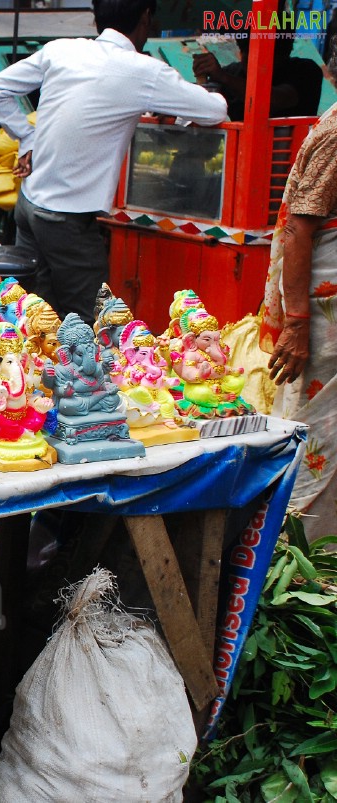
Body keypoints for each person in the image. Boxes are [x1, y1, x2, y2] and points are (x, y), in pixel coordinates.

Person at [0, 0, 228, 324]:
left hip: (28, 205)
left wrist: (28, 138)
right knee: (84, 324)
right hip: (64, 219)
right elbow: (214, 110)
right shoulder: (144, 71)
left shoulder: (61, 50)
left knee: (34, 316)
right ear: (146, 17)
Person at [261, 33, 337, 539]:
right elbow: (299, 229)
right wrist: (297, 325)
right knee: (320, 432)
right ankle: (306, 557)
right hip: (323, 310)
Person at [192, 32, 323, 121]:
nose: (250, 58)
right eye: (246, 49)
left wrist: (224, 77)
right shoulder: (233, 72)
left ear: (285, 51)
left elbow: (273, 100)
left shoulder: (306, 71)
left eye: (260, 52)